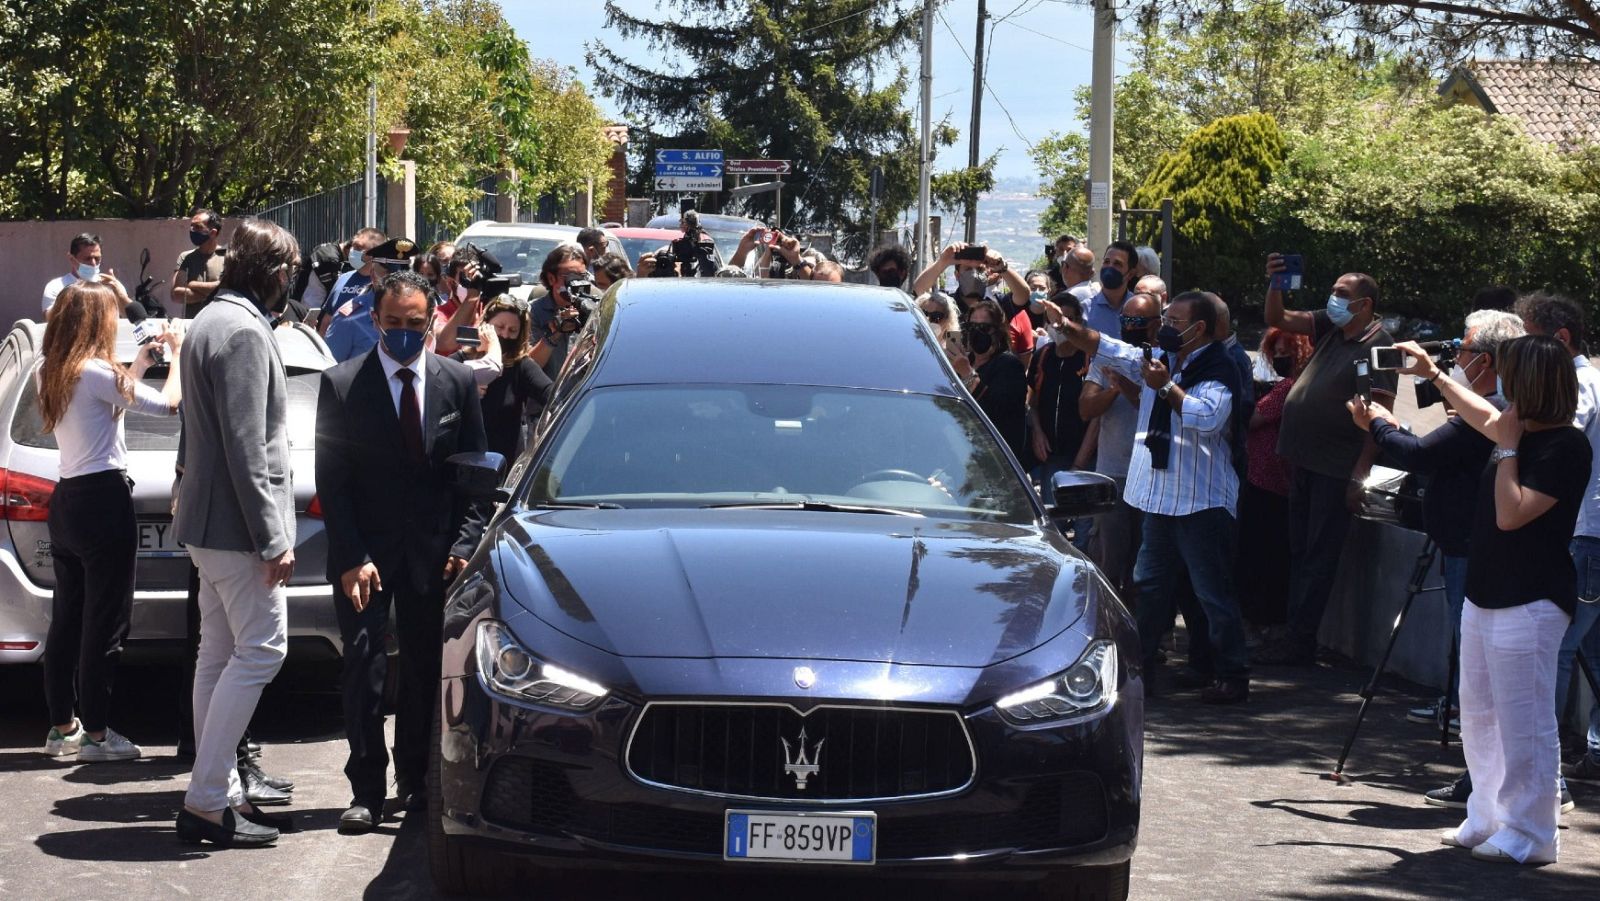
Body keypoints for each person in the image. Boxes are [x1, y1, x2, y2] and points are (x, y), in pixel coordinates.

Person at [1395, 334, 1589, 865]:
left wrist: (1505, 450)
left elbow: (1513, 513)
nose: (1499, 385)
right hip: (1486, 595)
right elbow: (1482, 412)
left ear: (1531, 383)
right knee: (1478, 714)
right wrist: (1434, 375)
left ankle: (1533, 832)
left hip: (1532, 600)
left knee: (1523, 720)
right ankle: (1487, 814)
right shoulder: (1517, 428)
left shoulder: (1565, 445)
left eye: (1508, 374)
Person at [314, 270, 491, 833]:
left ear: (430, 321)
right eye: (394, 324)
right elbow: (333, 483)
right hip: (364, 558)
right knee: (363, 669)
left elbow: (475, 477)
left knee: (423, 672)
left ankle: (415, 780)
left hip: (433, 556)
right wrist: (350, 556)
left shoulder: (456, 382)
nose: (405, 333)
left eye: (416, 324)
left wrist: (464, 544)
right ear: (375, 321)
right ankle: (365, 788)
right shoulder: (342, 385)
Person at [173, 218, 301, 848]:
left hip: (208, 525)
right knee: (262, 651)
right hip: (235, 530)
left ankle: (212, 793)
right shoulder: (244, 331)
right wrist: (274, 538)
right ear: (276, 275)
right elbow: (249, 449)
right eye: (291, 273)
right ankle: (205, 801)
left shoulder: (210, 319)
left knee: (219, 654)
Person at [1353, 312, 1523, 728]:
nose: (1455, 358)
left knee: (1474, 652)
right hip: (1461, 541)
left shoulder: (1493, 411)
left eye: (1461, 350)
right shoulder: (1486, 410)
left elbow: (1420, 454)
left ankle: (1471, 733)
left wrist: (1375, 424)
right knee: (1467, 645)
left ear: (1485, 361)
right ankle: (1459, 709)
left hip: (1471, 546)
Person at [37, 283, 182, 763]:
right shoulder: (96, 370)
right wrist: (175, 356)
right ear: (94, 323)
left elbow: (105, 410)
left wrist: (138, 365)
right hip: (103, 501)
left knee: (69, 617)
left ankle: (64, 727)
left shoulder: (53, 370)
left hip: (67, 501)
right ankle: (99, 734)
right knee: (106, 622)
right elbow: (168, 405)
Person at [1257, 254, 1398, 665]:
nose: (1333, 299)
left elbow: (1381, 410)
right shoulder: (1331, 327)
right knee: (1298, 550)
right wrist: (1276, 282)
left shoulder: (1378, 343)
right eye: (1333, 291)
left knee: (1318, 555)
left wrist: (1361, 471)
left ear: (1365, 304)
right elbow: (1277, 315)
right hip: (1302, 460)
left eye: (1342, 294)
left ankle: (1300, 642)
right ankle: (1293, 632)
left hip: (1335, 467)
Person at [1515, 293, 1600, 783]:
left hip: (1583, 535)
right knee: (1590, 651)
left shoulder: (1578, 384)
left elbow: (1553, 439)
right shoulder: (1589, 379)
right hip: (1590, 534)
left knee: (1555, 651)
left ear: (1560, 339)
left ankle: (1544, 775)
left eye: (1531, 339)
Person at [1077, 293, 1163, 603]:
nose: (1128, 327)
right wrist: (1114, 389)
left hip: (1152, 477)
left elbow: (1155, 408)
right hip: (1113, 475)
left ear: (1156, 324)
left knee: (1145, 568)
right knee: (1108, 561)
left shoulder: (1167, 360)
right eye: (1124, 320)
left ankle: (1148, 637)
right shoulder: (1107, 358)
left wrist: (1126, 385)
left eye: (1136, 322)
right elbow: (1086, 409)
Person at [1236, 327, 1314, 634]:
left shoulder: (1288, 389)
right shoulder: (1287, 386)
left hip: (1271, 481)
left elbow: (1254, 418)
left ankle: (1265, 623)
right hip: (1263, 476)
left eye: (1287, 353)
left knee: (1263, 556)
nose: (1281, 359)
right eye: (1277, 354)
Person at [949, 298, 1029, 464]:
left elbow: (993, 413)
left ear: (998, 331)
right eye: (972, 327)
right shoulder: (964, 360)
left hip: (996, 462)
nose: (977, 332)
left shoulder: (1009, 365)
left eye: (984, 327)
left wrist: (967, 374)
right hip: (961, 457)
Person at [1027, 291, 1090, 491]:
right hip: (1052, 457)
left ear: (1078, 321)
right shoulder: (1042, 356)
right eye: (1052, 319)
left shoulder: (1090, 358)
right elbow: (1032, 402)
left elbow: (1098, 417)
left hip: (1087, 458)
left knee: (1085, 520)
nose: (1058, 325)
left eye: (1066, 319)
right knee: (1054, 518)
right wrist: (1037, 431)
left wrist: (1079, 463)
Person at [480, 298, 554, 460]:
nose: (505, 335)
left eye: (512, 330)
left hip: (506, 463)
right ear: (485, 324)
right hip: (464, 464)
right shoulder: (460, 362)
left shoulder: (521, 366)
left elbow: (554, 396)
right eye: (499, 327)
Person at [324, 237, 418, 362]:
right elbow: (331, 368)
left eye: (403, 275)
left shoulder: (418, 313)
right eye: (389, 275)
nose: (397, 282)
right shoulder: (350, 318)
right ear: (373, 275)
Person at [529, 245, 592, 381]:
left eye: (582, 276)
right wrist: (556, 332)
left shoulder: (594, 310)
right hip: (546, 397)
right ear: (551, 279)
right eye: (570, 278)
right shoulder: (533, 313)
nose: (577, 283)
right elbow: (529, 366)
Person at [318, 228, 385, 336]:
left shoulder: (383, 283)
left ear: (374, 252)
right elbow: (327, 320)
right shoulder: (343, 278)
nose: (352, 251)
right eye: (352, 246)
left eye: (359, 247)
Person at [171, 209, 227, 318]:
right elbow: (176, 294)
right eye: (191, 226)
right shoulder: (186, 257)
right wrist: (213, 293)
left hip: (219, 324)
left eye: (198, 227)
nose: (192, 230)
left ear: (213, 233)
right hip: (192, 325)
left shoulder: (228, 257)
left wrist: (191, 284)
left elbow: (229, 291)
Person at [43, 233, 115, 316]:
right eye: (87, 258)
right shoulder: (56, 286)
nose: (93, 263)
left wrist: (117, 292)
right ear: (71, 259)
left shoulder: (110, 284)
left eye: (97, 258)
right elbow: (49, 318)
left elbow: (127, 316)